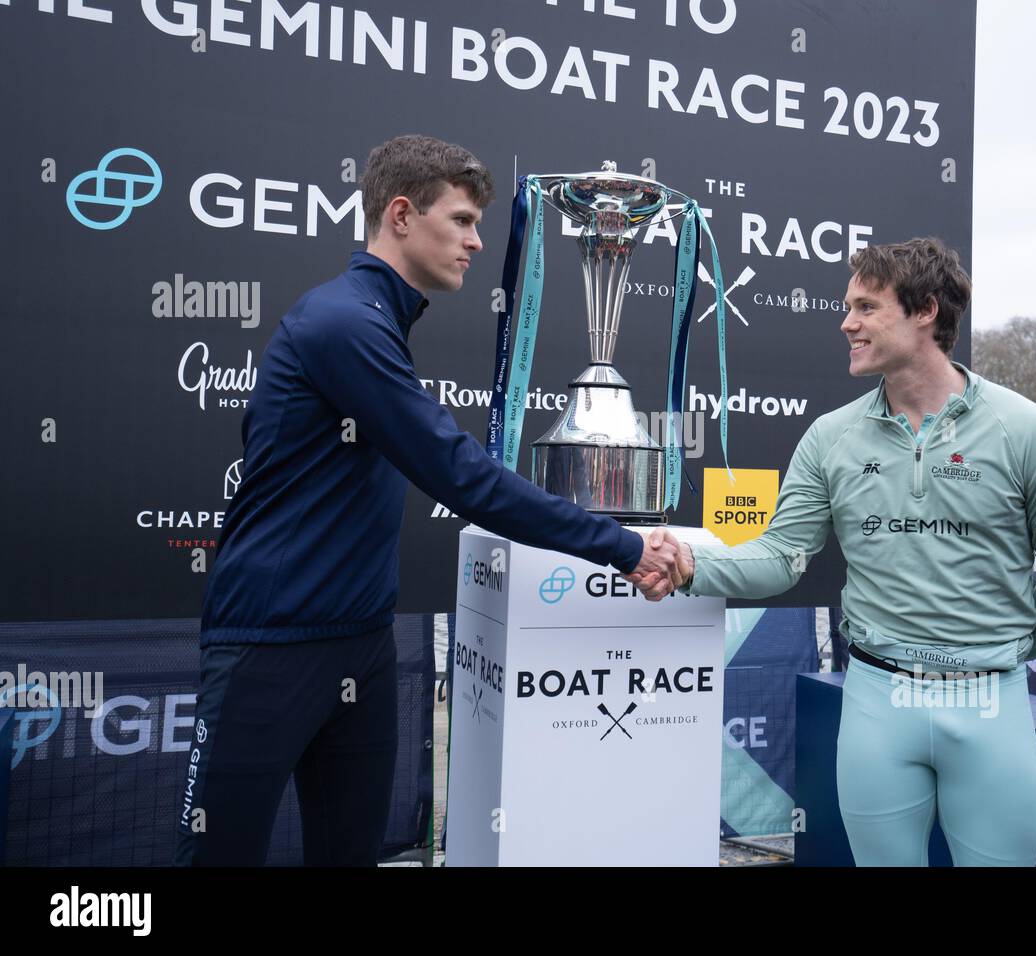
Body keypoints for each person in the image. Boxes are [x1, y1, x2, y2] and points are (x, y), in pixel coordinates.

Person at [173, 135, 680, 866]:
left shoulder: (376, 321)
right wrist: (624, 545)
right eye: (463, 220)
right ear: (402, 215)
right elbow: (460, 475)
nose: (477, 241)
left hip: (362, 642)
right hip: (269, 646)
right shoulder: (342, 322)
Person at [634, 237, 1036, 866]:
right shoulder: (831, 436)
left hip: (992, 703)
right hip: (878, 701)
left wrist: (1002, 650)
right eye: (847, 306)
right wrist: (692, 565)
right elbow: (782, 556)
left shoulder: (1028, 430)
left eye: (865, 307)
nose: (845, 322)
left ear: (925, 311)